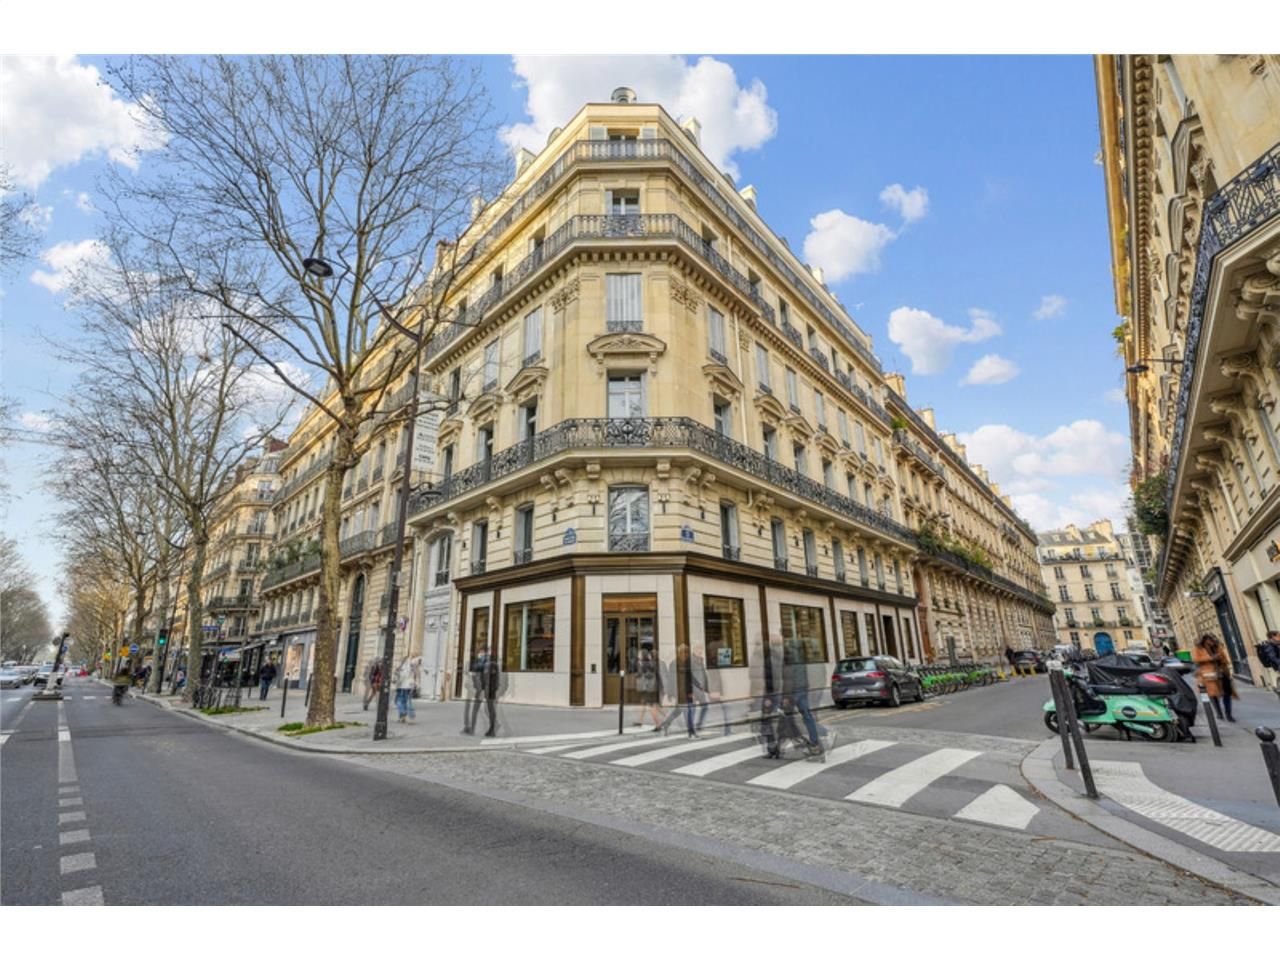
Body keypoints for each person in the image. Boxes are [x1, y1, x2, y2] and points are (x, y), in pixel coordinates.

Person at [1193, 633, 1236, 723]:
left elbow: (1225, 659)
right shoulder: (1199, 649)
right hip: (1209, 675)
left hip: (1222, 673)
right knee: (1213, 695)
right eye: (1209, 640)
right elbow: (1196, 659)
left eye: (1212, 639)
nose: (1212, 641)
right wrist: (1211, 658)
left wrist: (1225, 666)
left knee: (1227, 694)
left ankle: (1228, 714)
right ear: (1204, 641)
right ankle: (1219, 713)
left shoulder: (1217, 647)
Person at [463, 644, 498, 736]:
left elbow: (476, 667)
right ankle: (490, 728)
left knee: (488, 709)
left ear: (484, 652)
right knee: (487, 708)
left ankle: (491, 729)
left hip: (487, 689)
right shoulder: (489, 662)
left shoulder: (487, 662)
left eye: (481, 652)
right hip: (486, 688)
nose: (480, 654)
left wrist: (477, 661)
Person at [633, 641, 663, 729]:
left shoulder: (643, 664)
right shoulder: (651, 663)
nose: (638, 655)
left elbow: (640, 674)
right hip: (652, 687)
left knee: (651, 706)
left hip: (648, 688)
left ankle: (658, 724)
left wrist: (637, 673)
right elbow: (657, 674)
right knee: (644, 703)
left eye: (639, 654)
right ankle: (640, 721)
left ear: (642, 655)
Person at [393, 655, 420, 723]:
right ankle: (405, 717)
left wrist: (396, 679)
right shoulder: (411, 666)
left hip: (402, 686)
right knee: (407, 701)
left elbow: (399, 675)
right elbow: (416, 674)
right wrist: (416, 684)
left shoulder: (402, 666)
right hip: (408, 686)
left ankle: (403, 713)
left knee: (399, 701)